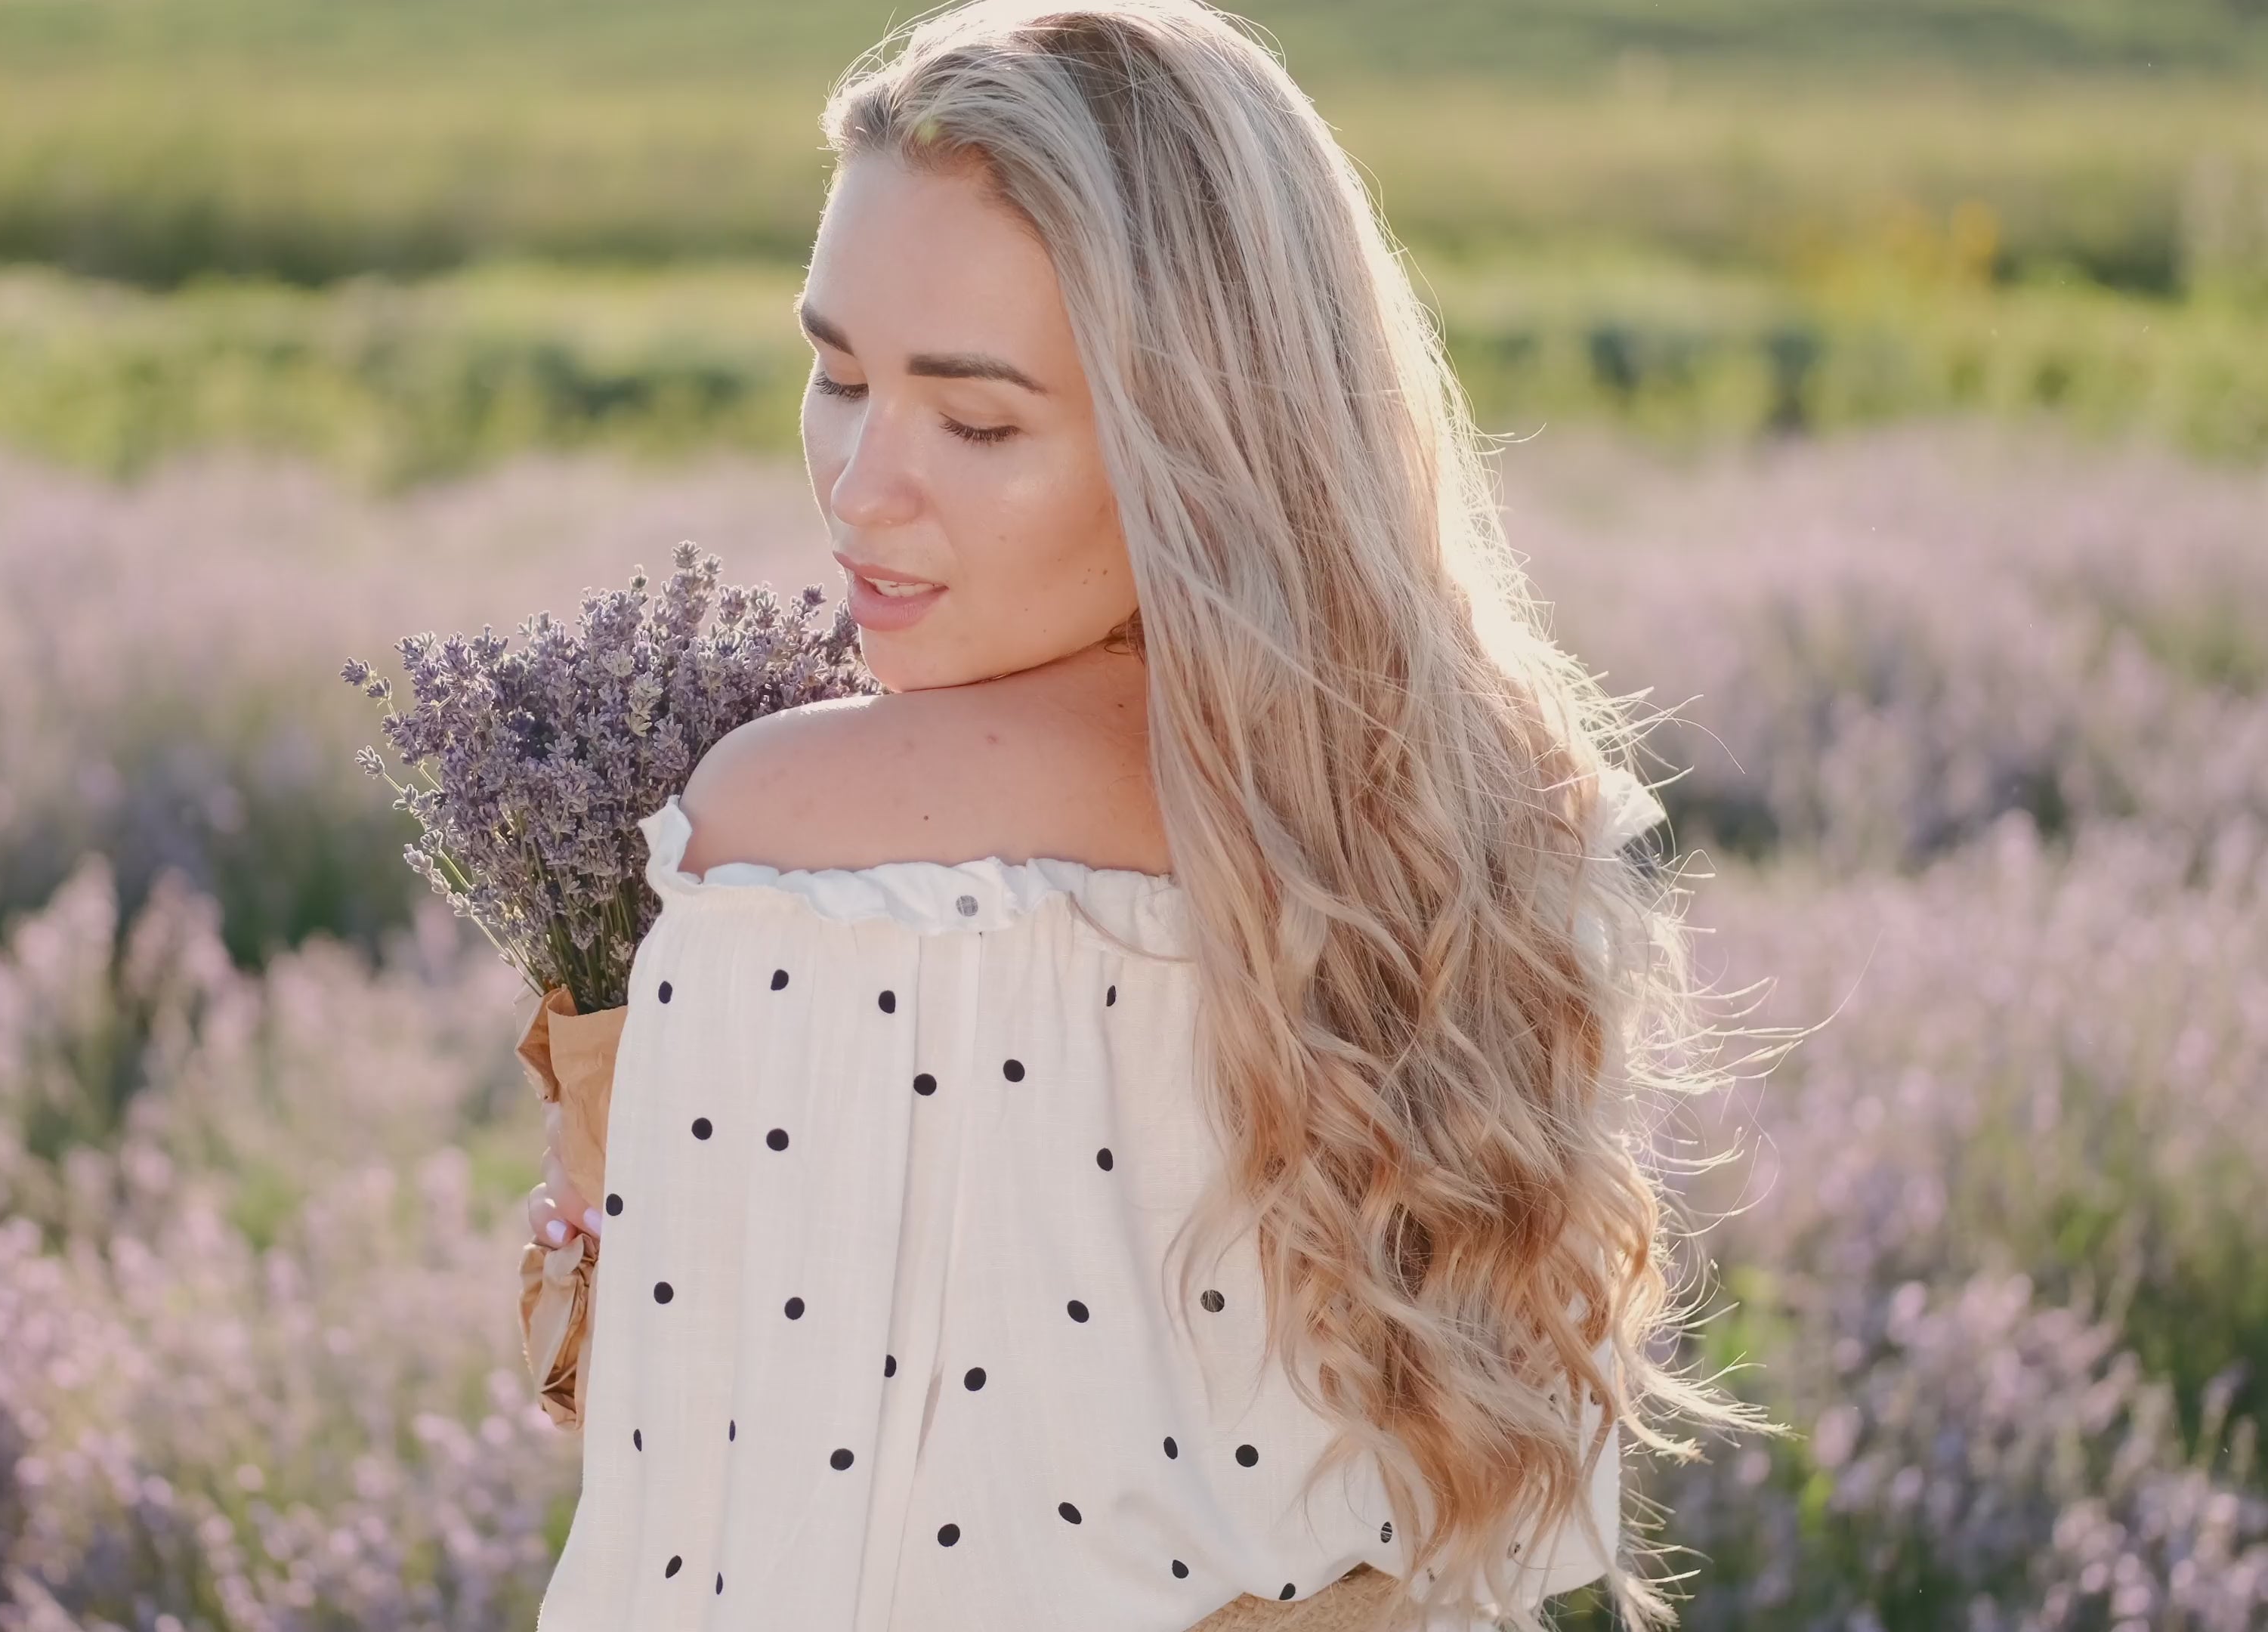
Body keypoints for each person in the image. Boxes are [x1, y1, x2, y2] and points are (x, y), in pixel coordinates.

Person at [521, 2, 1759, 1626]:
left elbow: (716, 1573)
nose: (860, 480)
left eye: (977, 421)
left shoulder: (814, 845)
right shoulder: (1491, 823)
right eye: (833, 374)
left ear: (1205, 444)